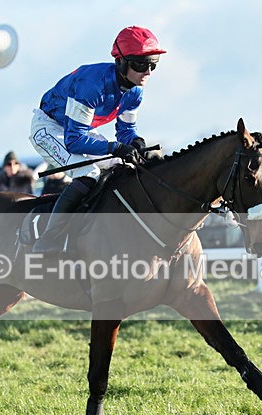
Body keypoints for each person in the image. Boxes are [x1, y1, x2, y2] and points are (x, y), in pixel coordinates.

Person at [29, 25, 166, 253]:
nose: (148, 72)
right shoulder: (92, 86)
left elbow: (125, 132)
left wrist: (136, 143)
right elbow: (73, 141)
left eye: (153, 65)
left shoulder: (135, 92)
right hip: (50, 128)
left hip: (78, 130)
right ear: (121, 61)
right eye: (141, 64)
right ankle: (48, 239)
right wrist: (115, 146)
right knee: (89, 173)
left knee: (121, 165)